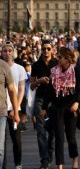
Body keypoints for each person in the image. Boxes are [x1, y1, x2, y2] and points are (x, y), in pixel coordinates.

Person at [40, 47, 80, 169]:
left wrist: (77, 103)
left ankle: (75, 159)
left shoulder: (75, 70)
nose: (58, 59)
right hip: (57, 108)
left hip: (70, 108)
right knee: (59, 137)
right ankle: (60, 165)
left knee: (71, 137)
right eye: (58, 56)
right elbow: (49, 91)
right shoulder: (53, 71)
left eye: (60, 57)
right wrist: (43, 108)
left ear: (67, 58)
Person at [31, 40, 58, 169]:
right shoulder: (36, 65)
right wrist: (39, 81)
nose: (46, 51)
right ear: (41, 50)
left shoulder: (56, 63)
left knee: (52, 131)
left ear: (52, 50)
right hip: (40, 99)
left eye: (48, 49)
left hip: (53, 100)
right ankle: (44, 160)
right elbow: (31, 86)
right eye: (44, 49)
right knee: (40, 131)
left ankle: (50, 156)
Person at [1, 41, 27, 169]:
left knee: (16, 138)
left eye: (10, 51)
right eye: (5, 51)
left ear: (13, 52)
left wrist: (16, 108)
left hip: (14, 108)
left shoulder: (19, 68)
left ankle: (18, 163)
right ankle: (3, 165)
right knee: (2, 141)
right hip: (2, 108)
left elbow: (21, 90)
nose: (7, 53)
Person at [0, 58, 20, 167]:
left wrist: (16, 112)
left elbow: (12, 90)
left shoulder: (4, 66)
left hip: (1, 112)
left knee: (0, 148)